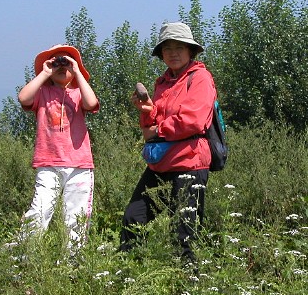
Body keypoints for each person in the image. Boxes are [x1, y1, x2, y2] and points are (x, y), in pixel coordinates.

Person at [119, 22, 217, 268]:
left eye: (179, 47)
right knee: (134, 217)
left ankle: (187, 288)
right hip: (161, 164)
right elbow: (150, 125)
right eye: (167, 48)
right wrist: (146, 111)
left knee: (184, 228)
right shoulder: (162, 82)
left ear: (190, 51)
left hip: (190, 161)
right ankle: (126, 274)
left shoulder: (201, 78)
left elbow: (192, 121)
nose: (173, 53)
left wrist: (157, 131)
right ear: (161, 54)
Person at [14, 44, 100, 258]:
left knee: (76, 216)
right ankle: (25, 256)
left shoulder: (79, 93)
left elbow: (92, 103)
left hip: (79, 165)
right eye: (56, 63)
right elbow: (24, 98)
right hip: (48, 163)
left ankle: (73, 262)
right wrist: (45, 72)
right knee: (40, 210)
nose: (62, 67)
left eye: (67, 63)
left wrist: (78, 72)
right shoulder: (43, 92)